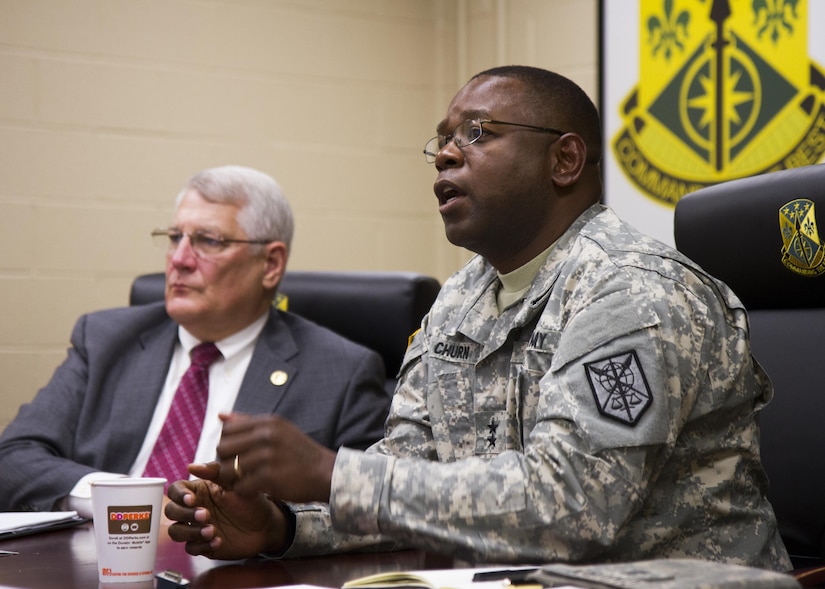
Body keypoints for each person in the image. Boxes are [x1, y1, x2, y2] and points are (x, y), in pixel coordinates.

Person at [165, 67, 791, 570]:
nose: (445, 156)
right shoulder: (460, 298)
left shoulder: (632, 291)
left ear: (564, 161)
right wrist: (283, 524)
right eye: (443, 139)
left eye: (478, 134)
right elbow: (414, 474)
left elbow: (572, 506)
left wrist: (332, 473)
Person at [0, 165, 390, 519]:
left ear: (270, 265)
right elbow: (12, 459)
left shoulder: (341, 372)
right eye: (174, 238)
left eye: (208, 241)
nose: (179, 260)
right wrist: (123, 504)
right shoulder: (104, 340)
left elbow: (370, 511)